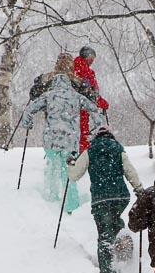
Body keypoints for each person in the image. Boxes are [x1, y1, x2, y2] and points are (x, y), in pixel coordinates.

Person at [24, 54, 102, 212]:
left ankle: (52, 197)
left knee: (52, 166)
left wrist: (28, 122)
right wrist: (100, 126)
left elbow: (30, 109)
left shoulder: (47, 92)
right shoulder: (77, 94)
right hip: (70, 139)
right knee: (68, 171)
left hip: (51, 139)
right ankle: (71, 204)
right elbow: (94, 106)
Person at [68, 127, 144, 273]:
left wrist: (70, 163)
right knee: (115, 221)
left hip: (101, 198)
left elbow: (74, 176)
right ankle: (123, 249)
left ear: (96, 137)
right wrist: (139, 189)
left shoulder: (90, 151)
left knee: (104, 233)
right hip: (120, 197)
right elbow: (130, 171)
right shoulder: (119, 150)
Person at [73, 46, 110, 154]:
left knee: (79, 132)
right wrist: (100, 102)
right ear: (87, 56)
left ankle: (78, 154)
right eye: (92, 58)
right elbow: (89, 91)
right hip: (83, 108)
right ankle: (83, 156)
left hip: (74, 108)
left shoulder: (75, 68)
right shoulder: (83, 70)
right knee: (83, 132)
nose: (92, 61)